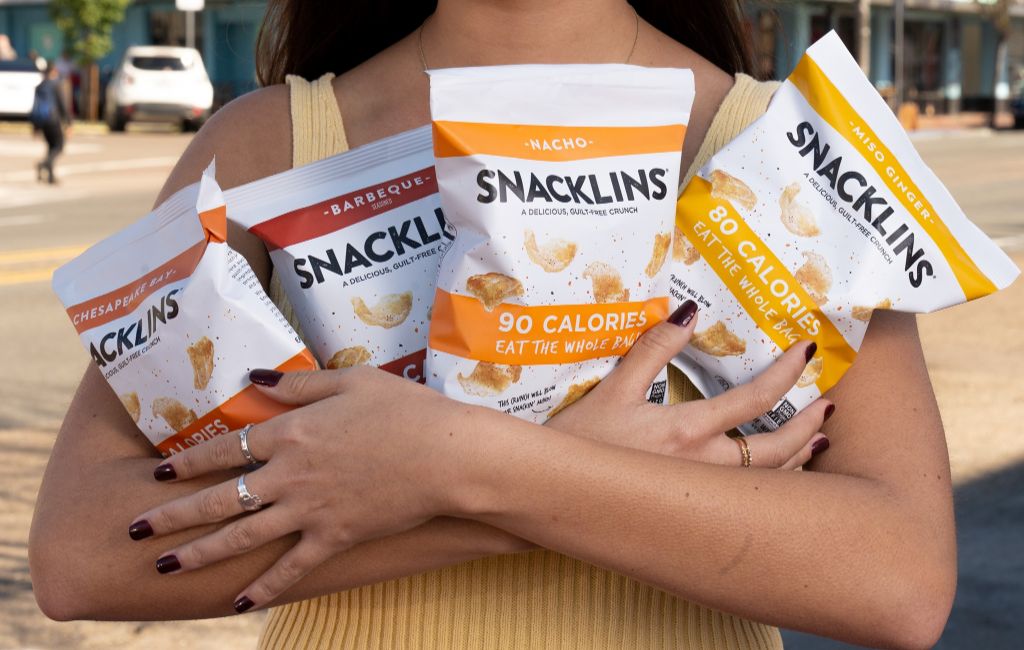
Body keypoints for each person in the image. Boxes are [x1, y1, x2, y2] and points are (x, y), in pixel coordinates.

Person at [29, 1, 956, 648]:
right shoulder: (267, 145)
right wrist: (528, 477)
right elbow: (81, 557)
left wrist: (453, 465)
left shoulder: (774, 154)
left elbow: (901, 583)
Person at [31, 61, 72, 185]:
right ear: (54, 71)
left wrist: (35, 126)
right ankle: (44, 164)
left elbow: (35, 106)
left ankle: (50, 176)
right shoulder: (56, 85)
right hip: (53, 120)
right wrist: (69, 122)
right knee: (59, 146)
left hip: (42, 121)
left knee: (50, 147)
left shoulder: (40, 86)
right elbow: (62, 105)